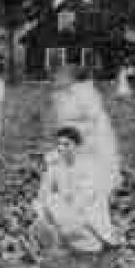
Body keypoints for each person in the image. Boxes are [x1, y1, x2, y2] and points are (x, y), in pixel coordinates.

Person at [32, 127, 119, 254]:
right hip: (65, 213)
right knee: (48, 203)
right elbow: (43, 193)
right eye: (59, 144)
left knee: (57, 205)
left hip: (87, 217)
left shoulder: (88, 168)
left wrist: (63, 207)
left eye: (66, 144)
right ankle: (59, 238)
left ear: (77, 147)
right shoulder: (56, 166)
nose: (61, 148)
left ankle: (83, 241)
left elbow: (86, 200)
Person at [52, 66, 121, 199]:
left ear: (71, 78)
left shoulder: (85, 92)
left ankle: (95, 193)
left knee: (90, 163)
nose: (57, 79)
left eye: (61, 76)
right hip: (73, 133)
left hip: (90, 134)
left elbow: (93, 117)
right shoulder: (63, 94)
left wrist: (76, 130)